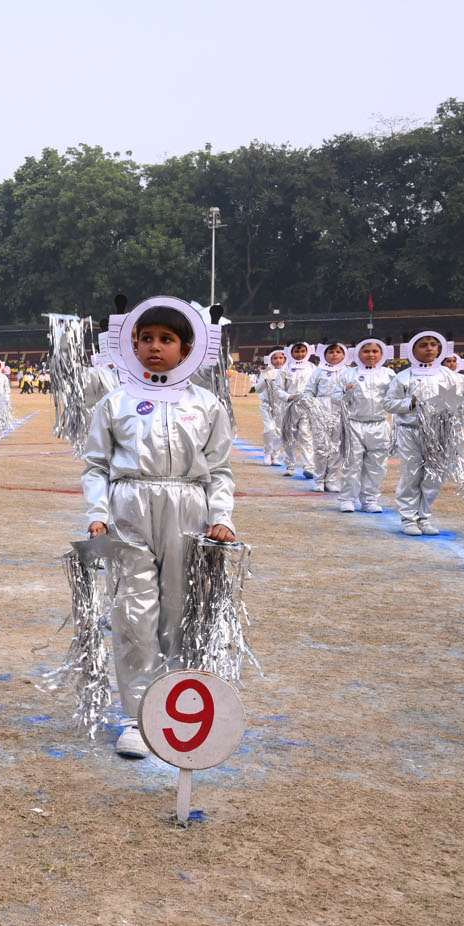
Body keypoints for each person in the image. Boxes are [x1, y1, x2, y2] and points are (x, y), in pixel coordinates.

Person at [82, 301, 235, 759]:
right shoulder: (115, 402)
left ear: (186, 349)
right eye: (146, 338)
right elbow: (96, 465)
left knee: (180, 609)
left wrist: (221, 517)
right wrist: (97, 512)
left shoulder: (205, 404)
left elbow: (220, 470)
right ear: (133, 345)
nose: (155, 347)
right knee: (134, 611)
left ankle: (174, 707)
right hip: (129, 508)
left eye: (166, 340)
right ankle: (136, 717)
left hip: (188, 510)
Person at [383, 331, 464, 537]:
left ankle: (424, 517)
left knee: (434, 475)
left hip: (440, 433)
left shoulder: (450, 376)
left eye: (433, 344)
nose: (429, 349)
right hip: (411, 431)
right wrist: (410, 403)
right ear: (413, 350)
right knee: (412, 474)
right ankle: (408, 518)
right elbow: (389, 403)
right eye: (423, 345)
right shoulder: (403, 377)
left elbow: (462, 401)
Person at [334, 339, 394, 513]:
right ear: (358, 353)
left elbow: (396, 398)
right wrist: (346, 393)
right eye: (366, 351)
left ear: (382, 354)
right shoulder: (348, 374)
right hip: (354, 424)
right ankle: (347, 499)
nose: (371, 355)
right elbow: (335, 398)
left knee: (377, 465)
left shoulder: (389, 374)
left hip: (379, 425)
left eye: (375, 351)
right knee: (352, 463)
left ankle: (370, 500)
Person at [304, 342, 348, 493]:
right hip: (321, 409)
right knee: (321, 446)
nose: (334, 355)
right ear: (324, 355)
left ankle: (331, 479)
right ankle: (319, 479)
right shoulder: (319, 371)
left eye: (338, 352)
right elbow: (309, 391)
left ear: (344, 355)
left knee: (336, 447)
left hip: (340, 410)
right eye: (331, 352)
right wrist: (312, 406)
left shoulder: (349, 372)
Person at [279, 342, 316, 479]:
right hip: (289, 407)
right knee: (290, 437)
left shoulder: (312, 368)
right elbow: (278, 388)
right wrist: (288, 397)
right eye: (296, 351)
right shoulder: (285, 368)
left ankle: (309, 467)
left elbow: (316, 386)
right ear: (291, 353)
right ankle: (290, 466)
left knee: (307, 436)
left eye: (303, 351)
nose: (300, 354)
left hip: (307, 406)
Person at [258, 350, 287, 466]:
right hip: (267, 404)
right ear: (270, 359)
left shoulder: (288, 372)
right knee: (269, 429)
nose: (278, 360)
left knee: (278, 431)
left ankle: (275, 456)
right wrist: (266, 380)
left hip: (282, 405)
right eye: (275, 358)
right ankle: (267, 453)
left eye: (281, 358)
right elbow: (258, 388)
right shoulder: (266, 372)